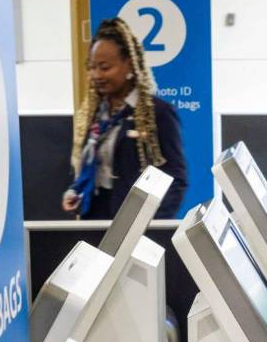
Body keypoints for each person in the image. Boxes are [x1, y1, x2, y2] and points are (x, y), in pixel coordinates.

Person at [63, 17, 187, 219]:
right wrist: (75, 191)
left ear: (129, 65)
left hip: (134, 225)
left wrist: (151, 226)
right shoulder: (95, 113)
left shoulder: (158, 113)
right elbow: (93, 167)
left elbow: (176, 179)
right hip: (95, 220)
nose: (96, 75)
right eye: (92, 67)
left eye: (104, 67)